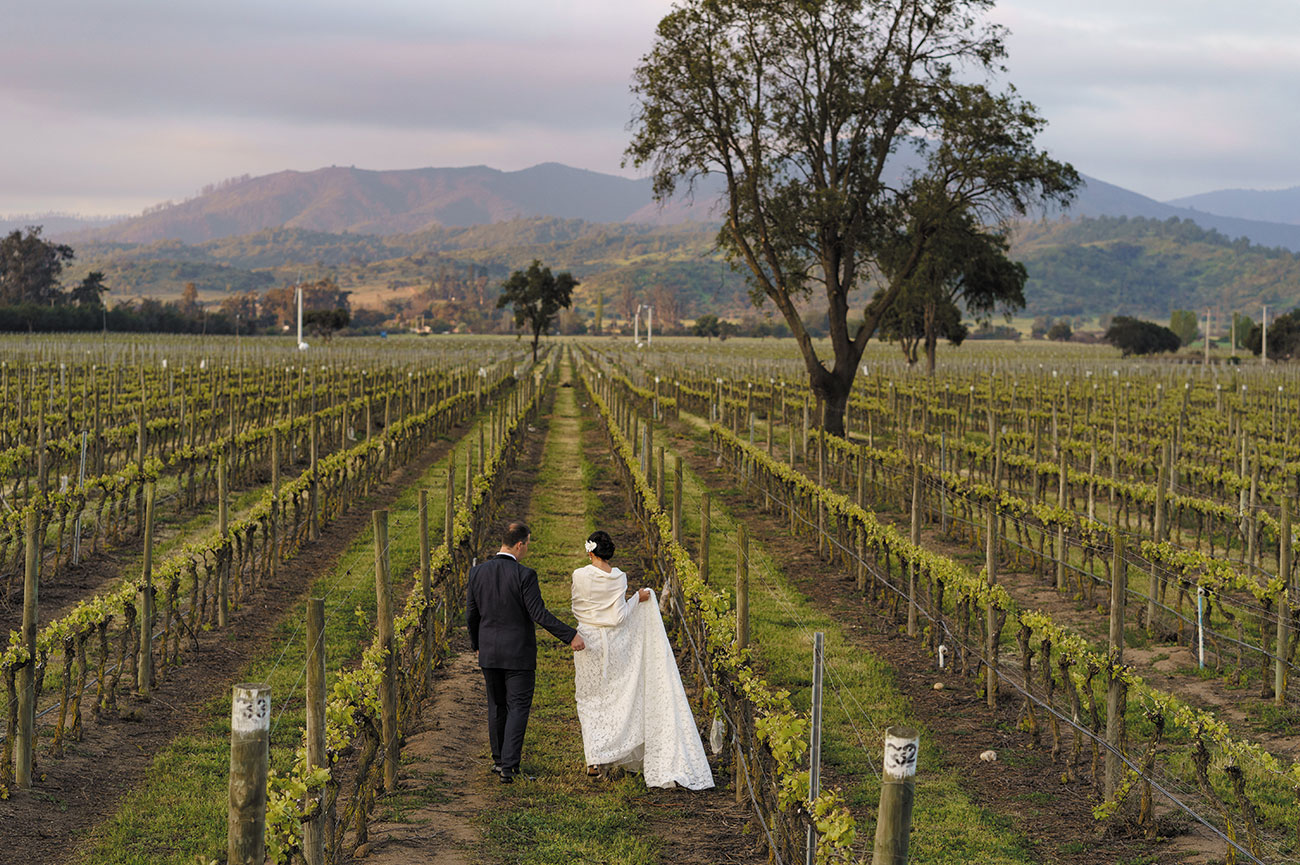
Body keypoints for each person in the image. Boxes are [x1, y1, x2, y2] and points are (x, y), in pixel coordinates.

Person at [570, 530, 714, 789]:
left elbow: (575, 605)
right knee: (613, 696)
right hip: (612, 645)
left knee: (588, 698)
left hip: (586, 642)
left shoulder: (579, 575)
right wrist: (639, 597)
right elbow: (619, 617)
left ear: (590, 552)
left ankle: (593, 758)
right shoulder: (618, 578)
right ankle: (610, 750)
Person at [466, 521, 585, 783]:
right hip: (518, 654)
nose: (527, 549)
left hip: (489, 653)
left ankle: (499, 762)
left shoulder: (477, 573)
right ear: (520, 544)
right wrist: (570, 635)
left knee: (496, 705)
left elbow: (471, 615)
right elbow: (538, 614)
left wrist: (476, 645)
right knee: (518, 707)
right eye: (528, 544)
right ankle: (509, 767)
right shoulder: (524, 575)